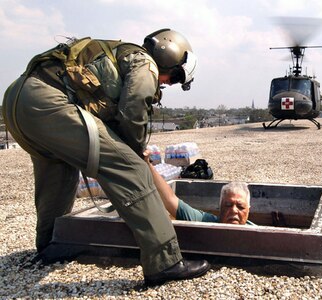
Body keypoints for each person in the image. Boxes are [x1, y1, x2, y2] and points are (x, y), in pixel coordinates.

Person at [2, 28, 210, 286]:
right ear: (167, 55)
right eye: (175, 75)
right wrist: (133, 152)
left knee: (56, 172)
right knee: (131, 168)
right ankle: (165, 262)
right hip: (47, 100)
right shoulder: (145, 63)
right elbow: (133, 110)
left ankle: (50, 244)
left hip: (17, 100)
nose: (169, 83)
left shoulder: (119, 57)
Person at [144, 151, 256, 225]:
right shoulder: (206, 222)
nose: (233, 211)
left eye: (240, 207)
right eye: (228, 205)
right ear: (220, 207)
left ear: (249, 210)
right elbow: (171, 200)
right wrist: (147, 164)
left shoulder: (257, 232)